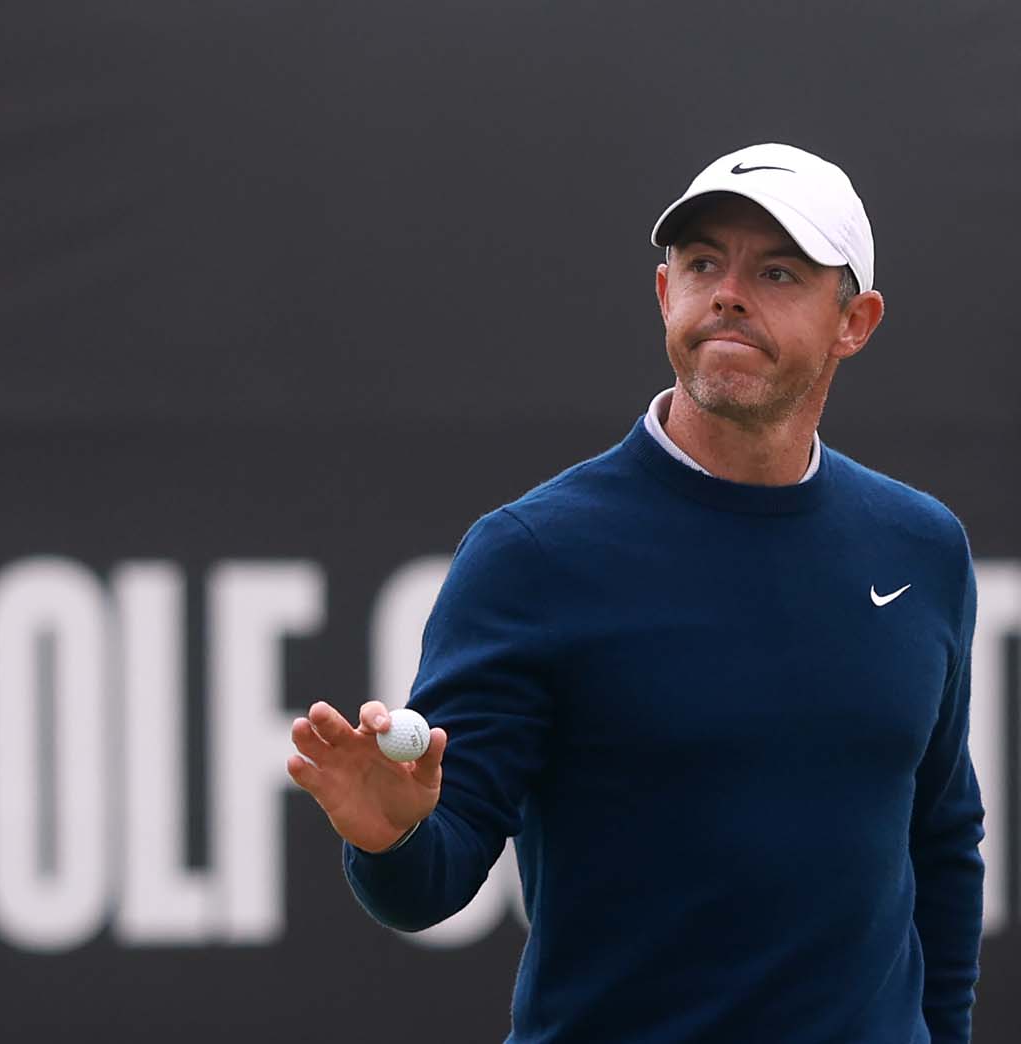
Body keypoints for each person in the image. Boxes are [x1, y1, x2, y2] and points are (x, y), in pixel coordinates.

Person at [288, 143, 983, 1042]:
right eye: (702, 264)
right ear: (666, 296)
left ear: (856, 321)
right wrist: (389, 838)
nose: (728, 292)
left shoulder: (921, 545)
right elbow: (431, 880)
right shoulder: (533, 554)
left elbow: (941, 840)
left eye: (777, 271)